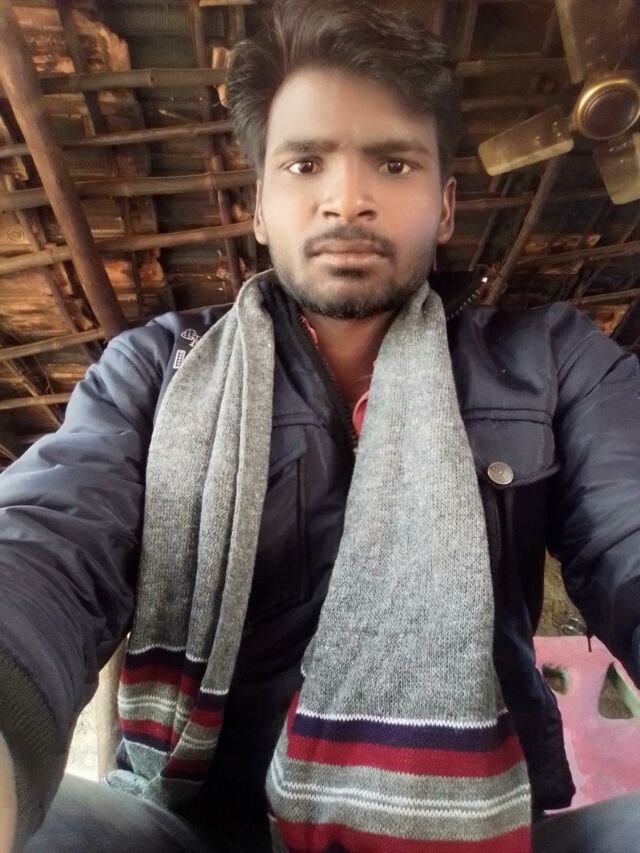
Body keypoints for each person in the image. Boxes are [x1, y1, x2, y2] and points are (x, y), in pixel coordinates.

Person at [1, 0, 639, 850]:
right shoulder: (156, 370)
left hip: (479, 830)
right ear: (261, 208)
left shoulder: (553, 361)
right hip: (196, 828)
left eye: (394, 163)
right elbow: (51, 536)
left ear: (445, 205)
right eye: (305, 164)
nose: (347, 200)